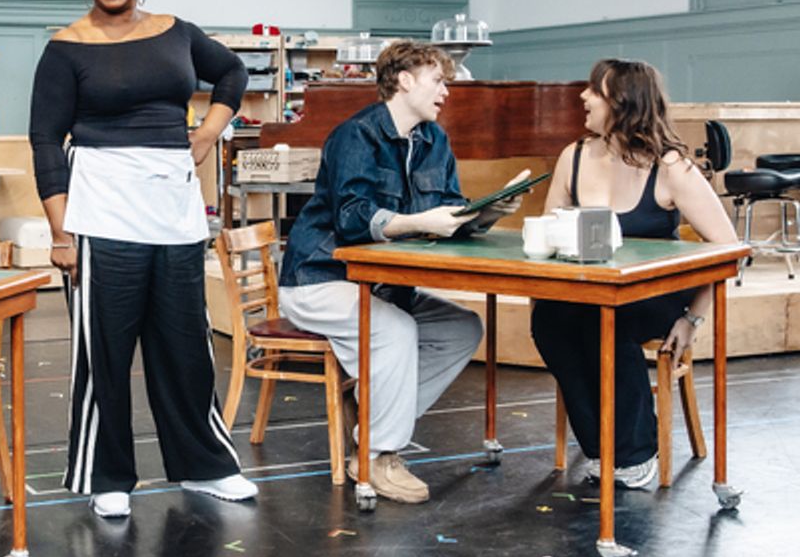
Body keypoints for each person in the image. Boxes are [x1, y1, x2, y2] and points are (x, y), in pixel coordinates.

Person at [28, 0, 257, 519]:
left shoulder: (177, 33)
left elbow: (233, 71)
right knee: (105, 352)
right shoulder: (65, 47)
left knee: (186, 346)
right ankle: (108, 476)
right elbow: (46, 141)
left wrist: (209, 132)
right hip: (102, 214)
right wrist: (60, 232)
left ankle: (206, 466)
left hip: (175, 212)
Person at [278, 40, 525, 504]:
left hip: (382, 286)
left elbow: (448, 214)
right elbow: (353, 218)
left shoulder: (435, 141)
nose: (446, 92)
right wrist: (418, 223)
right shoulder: (356, 136)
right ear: (405, 80)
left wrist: (488, 215)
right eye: (438, 81)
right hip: (320, 278)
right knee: (395, 332)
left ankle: (369, 417)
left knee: (462, 328)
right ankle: (377, 454)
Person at [530, 59, 737, 488]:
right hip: (592, 291)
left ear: (623, 102)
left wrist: (693, 318)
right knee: (549, 320)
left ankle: (636, 452)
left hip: (652, 297)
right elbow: (548, 231)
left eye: (595, 91)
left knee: (605, 320)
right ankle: (600, 448)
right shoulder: (575, 156)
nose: (582, 97)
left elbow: (728, 249)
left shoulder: (672, 166)